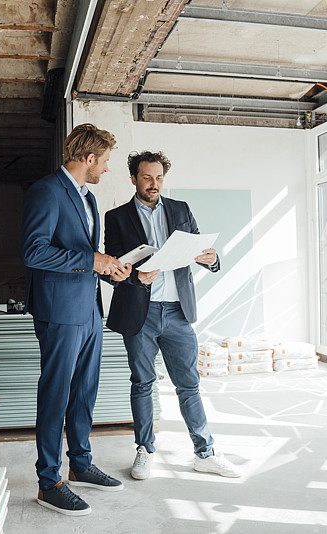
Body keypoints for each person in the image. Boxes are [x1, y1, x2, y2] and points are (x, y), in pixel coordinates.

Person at [104, 150, 241, 481]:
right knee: (142, 383)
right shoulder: (116, 217)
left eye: (159, 178)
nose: (154, 184)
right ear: (134, 179)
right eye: (147, 178)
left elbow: (200, 250)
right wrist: (136, 277)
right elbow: (110, 270)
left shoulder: (181, 209)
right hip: (140, 313)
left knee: (189, 385)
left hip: (178, 311)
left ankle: (205, 453)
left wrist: (211, 259)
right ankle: (145, 450)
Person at [22, 123, 131, 516]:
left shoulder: (88, 198)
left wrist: (109, 269)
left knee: (85, 390)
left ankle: (80, 465)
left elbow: (84, 255)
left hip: (89, 309)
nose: (107, 168)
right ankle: (48, 482)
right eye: (105, 161)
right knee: (57, 393)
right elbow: (34, 252)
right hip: (59, 311)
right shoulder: (46, 191)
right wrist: (92, 260)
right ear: (89, 159)